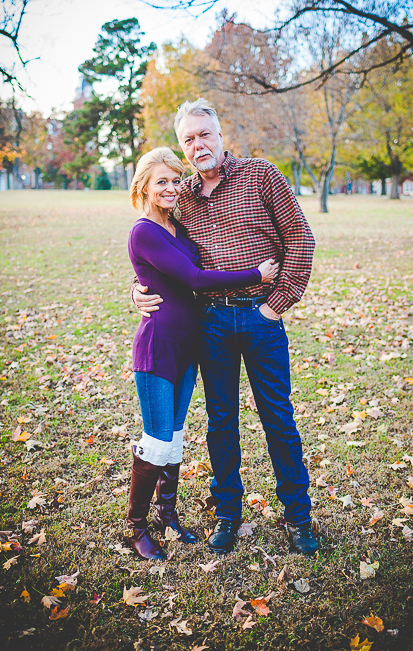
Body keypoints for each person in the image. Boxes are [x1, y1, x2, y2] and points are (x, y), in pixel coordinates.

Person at [133, 98, 319, 557]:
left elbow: (301, 238)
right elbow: (160, 252)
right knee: (221, 423)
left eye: (205, 135)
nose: (199, 145)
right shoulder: (184, 197)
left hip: (262, 316)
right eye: (189, 140)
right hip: (211, 322)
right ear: (183, 146)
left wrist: (276, 306)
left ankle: (298, 518)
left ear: (220, 134)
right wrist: (135, 290)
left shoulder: (261, 175)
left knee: (279, 419)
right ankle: (227, 515)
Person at [126, 147, 278, 560]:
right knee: (156, 442)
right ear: (144, 186)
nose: (172, 188)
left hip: (189, 347)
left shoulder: (176, 225)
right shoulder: (143, 230)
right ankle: (135, 528)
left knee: (174, 439)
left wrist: (137, 284)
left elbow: (172, 272)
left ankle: (167, 515)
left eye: (176, 180)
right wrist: (256, 275)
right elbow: (193, 276)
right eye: (162, 181)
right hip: (158, 347)